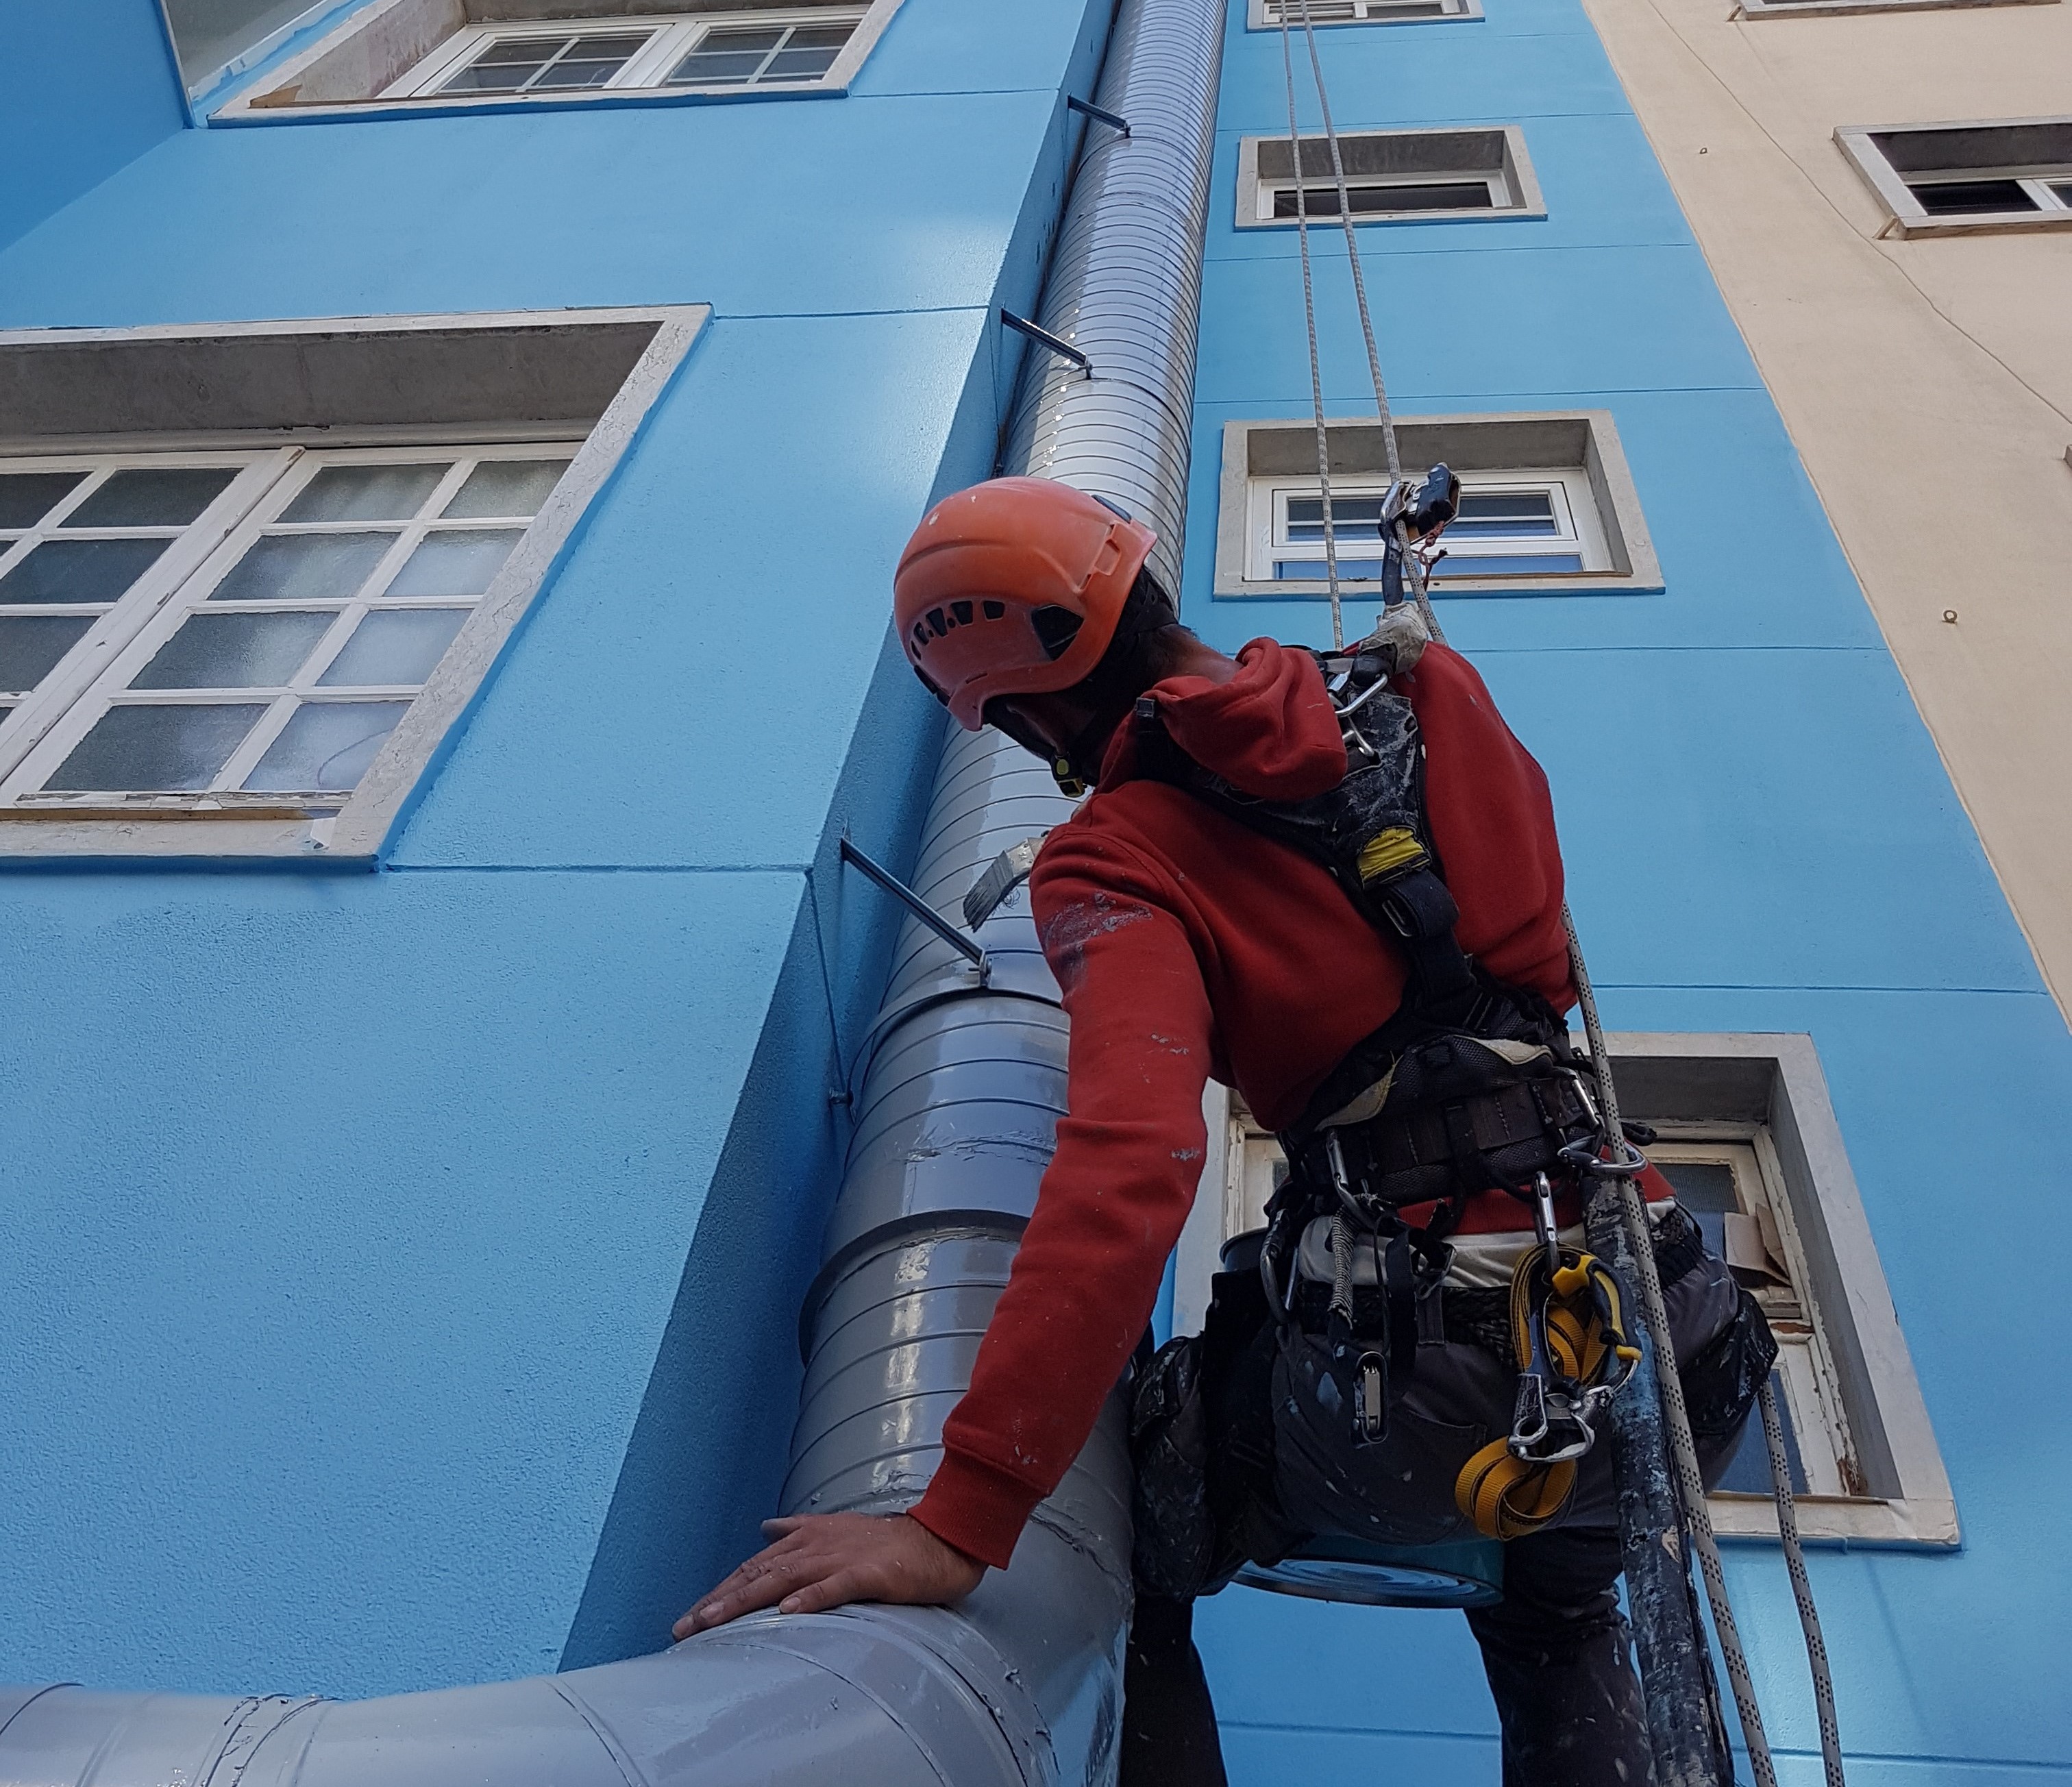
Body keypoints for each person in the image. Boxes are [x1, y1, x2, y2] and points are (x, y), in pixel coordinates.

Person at [678, 478, 1773, 1786]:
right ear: (1139, 583)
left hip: (1410, 1393)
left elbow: (1135, 1164)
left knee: (1131, 1518)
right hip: (1667, 1337)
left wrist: (962, 1520)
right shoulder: (1428, 689)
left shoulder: (1114, 856)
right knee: (1562, 1610)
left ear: (1023, 713)